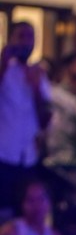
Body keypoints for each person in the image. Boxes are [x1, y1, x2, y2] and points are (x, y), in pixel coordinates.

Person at [0, 22, 52, 212]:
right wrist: (3, 63)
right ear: (11, 39)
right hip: (3, 155)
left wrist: (36, 89)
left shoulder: (39, 76)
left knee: (24, 213)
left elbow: (45, 120)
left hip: (28, 157)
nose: (26, 42)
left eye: (30, 37)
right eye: (21, 36)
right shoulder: (5, 71)